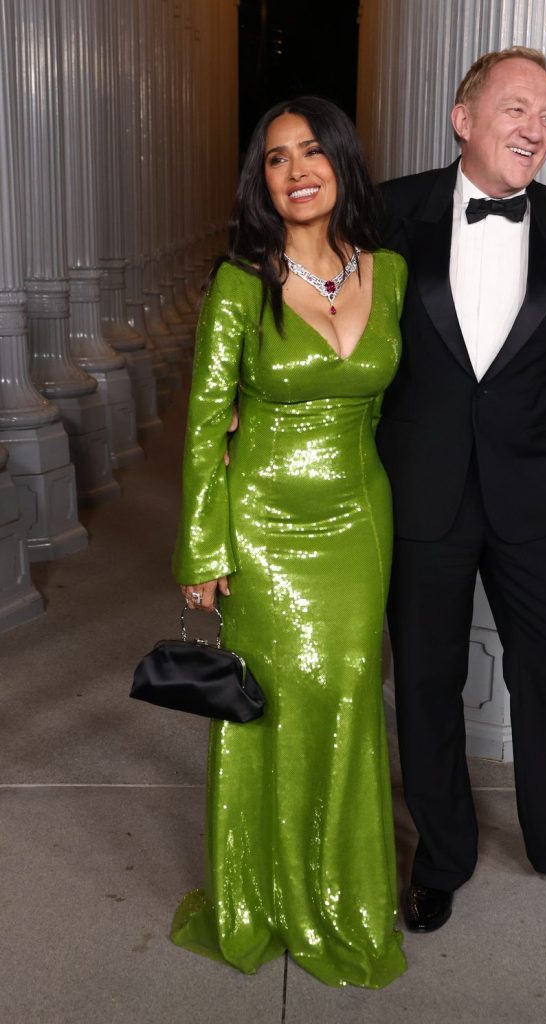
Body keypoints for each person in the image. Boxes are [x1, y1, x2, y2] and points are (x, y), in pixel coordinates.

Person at [376, 47, 546, 933]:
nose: (535, 129)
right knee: (424, 681)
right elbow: (345, 335)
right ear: (464, 119)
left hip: (537, 489)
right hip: (422, 489)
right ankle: (443, 858)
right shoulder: (391, 210)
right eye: (516, 110)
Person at [171, 96, 408, 987]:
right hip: (262, 524)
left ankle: (343, 898)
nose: (297, 169)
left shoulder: (389, 271)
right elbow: (202, 426)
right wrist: (203, 551)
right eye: (276, 158)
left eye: (312, 151)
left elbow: (390, 406)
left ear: (341, 163)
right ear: (261, 182)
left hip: (360, 522)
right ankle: (260, 897)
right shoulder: (239, 284)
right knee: (266, 706)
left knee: (349, 698)